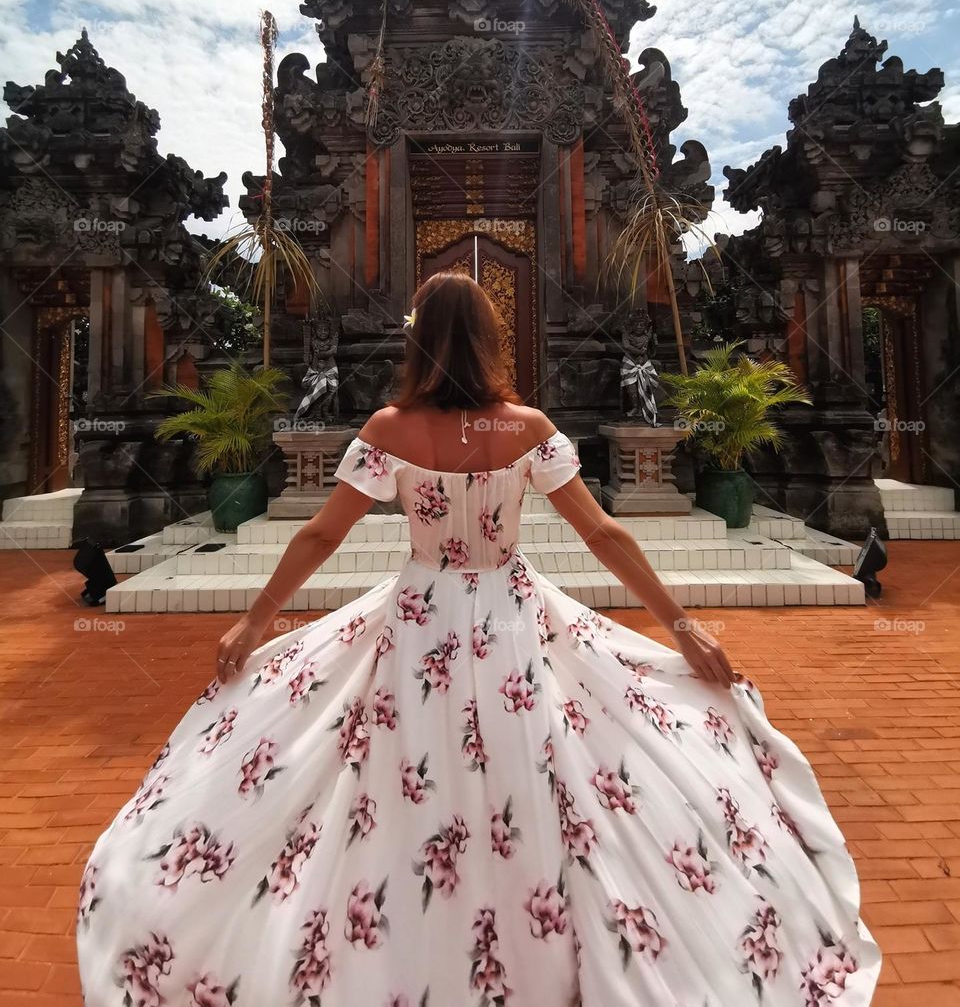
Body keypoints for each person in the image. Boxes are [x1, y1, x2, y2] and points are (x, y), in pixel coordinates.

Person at [76, 273, 880, 1006]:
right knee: (543, 760)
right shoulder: (526, 426)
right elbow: (604, 535)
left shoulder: (389, 428)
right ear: (492, 338)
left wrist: (258, 619)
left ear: (415, 341)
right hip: (509, 613)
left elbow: (320, 536)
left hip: (420, 612)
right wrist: (682, 625)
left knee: (385, 764)